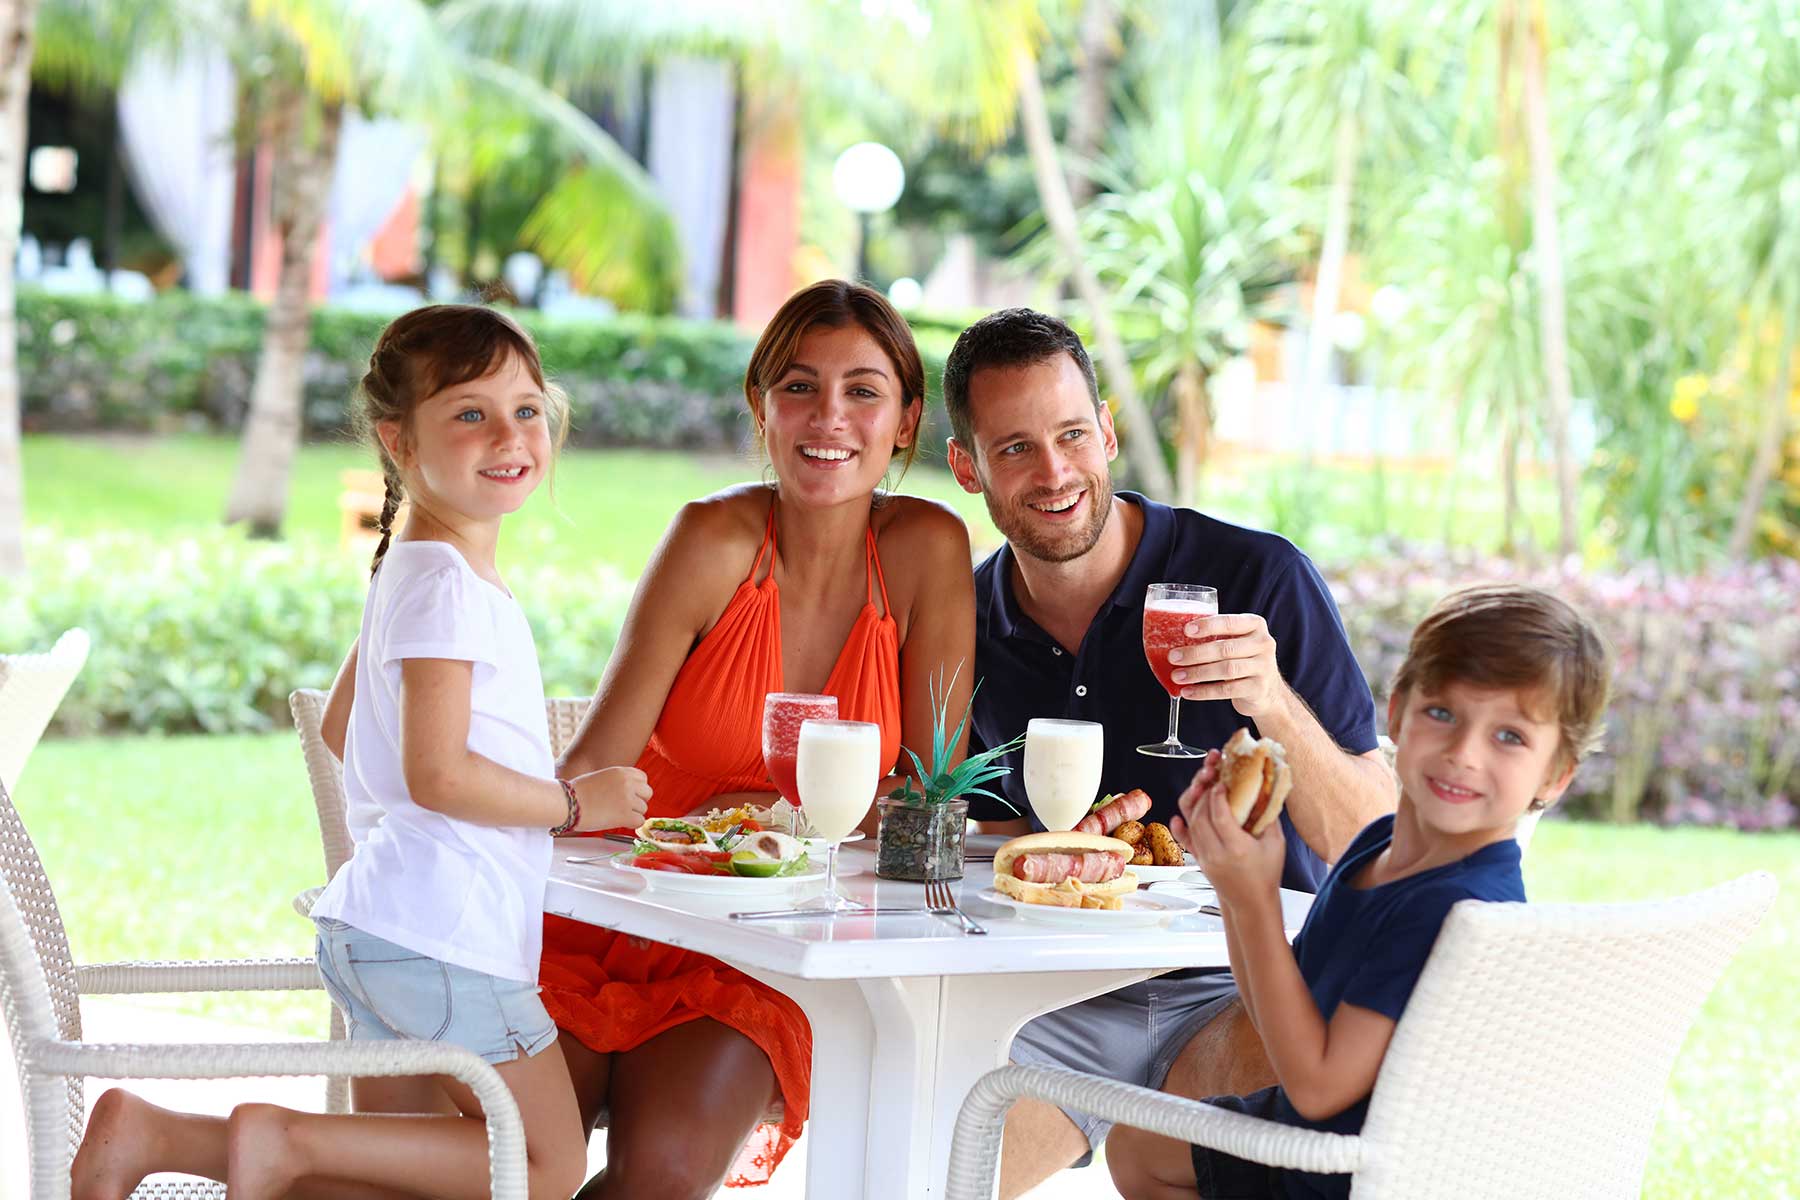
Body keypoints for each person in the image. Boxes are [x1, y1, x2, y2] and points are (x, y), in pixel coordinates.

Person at [70, 304, 653, 1200]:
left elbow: (345, 727)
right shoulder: (444, 585)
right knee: (545, 1165)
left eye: (528, 409)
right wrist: (579, 804)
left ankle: (157, 1134)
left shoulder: (417, 567)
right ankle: (281, 1140)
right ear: (397, 441)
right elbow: (439, 773)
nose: (509, 434)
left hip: (385, 929)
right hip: (443, 937)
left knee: (392, 1180)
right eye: (469, 413)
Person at [940, 307, 1397, 1198]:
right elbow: (965, 839)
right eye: (1015, 449)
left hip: (1243, 993)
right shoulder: (964, 622)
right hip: (1049, 1002)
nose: (1056, 471)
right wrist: (1062, 851)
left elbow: (1373, 842)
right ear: (968, 468)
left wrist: (1269, 701)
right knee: (925, 1175)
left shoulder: (1259, 579)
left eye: (1074, 434)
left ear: (1107, 430)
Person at [539, 279, 977, 1195]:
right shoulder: (711, 538)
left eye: (863, 390)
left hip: (767, 948)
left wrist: (775, 817)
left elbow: (932, 801)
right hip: (619, 913)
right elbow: (591, 775)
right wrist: (722, 826)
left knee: (659, 1174)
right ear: (761, 405)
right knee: (512, 1166)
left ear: (904, 422)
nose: (830, 417)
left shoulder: (927, 548)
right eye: (799, 386)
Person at [1108, 583, 1612, 1199]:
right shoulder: (1380, 847)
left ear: (1555, 775)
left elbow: (1317, 1089)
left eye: (1509, 737)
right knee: (1138, 1147)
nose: (1463, 754)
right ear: (1396, 714)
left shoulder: (1453, 907)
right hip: (1326, 1135)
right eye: (1443, 714)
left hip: (1359, 1169)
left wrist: (1255, 901)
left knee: (1142, 1149)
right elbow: (1278, 1012)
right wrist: (1230, 877)